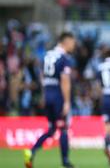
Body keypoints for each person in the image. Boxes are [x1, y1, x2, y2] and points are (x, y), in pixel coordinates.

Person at [24, 32, 76, 168]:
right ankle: (65, 162)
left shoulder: (47, 56)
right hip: (58, 96)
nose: (73, 45)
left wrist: (44, 94)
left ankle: (31, 151)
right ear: (66, 41)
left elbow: (43, 76)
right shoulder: (64, 58)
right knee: (64, 128)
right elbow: (65, 81)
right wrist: (67, 101)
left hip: (48, 95)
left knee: (52, 129)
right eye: (72, 42)